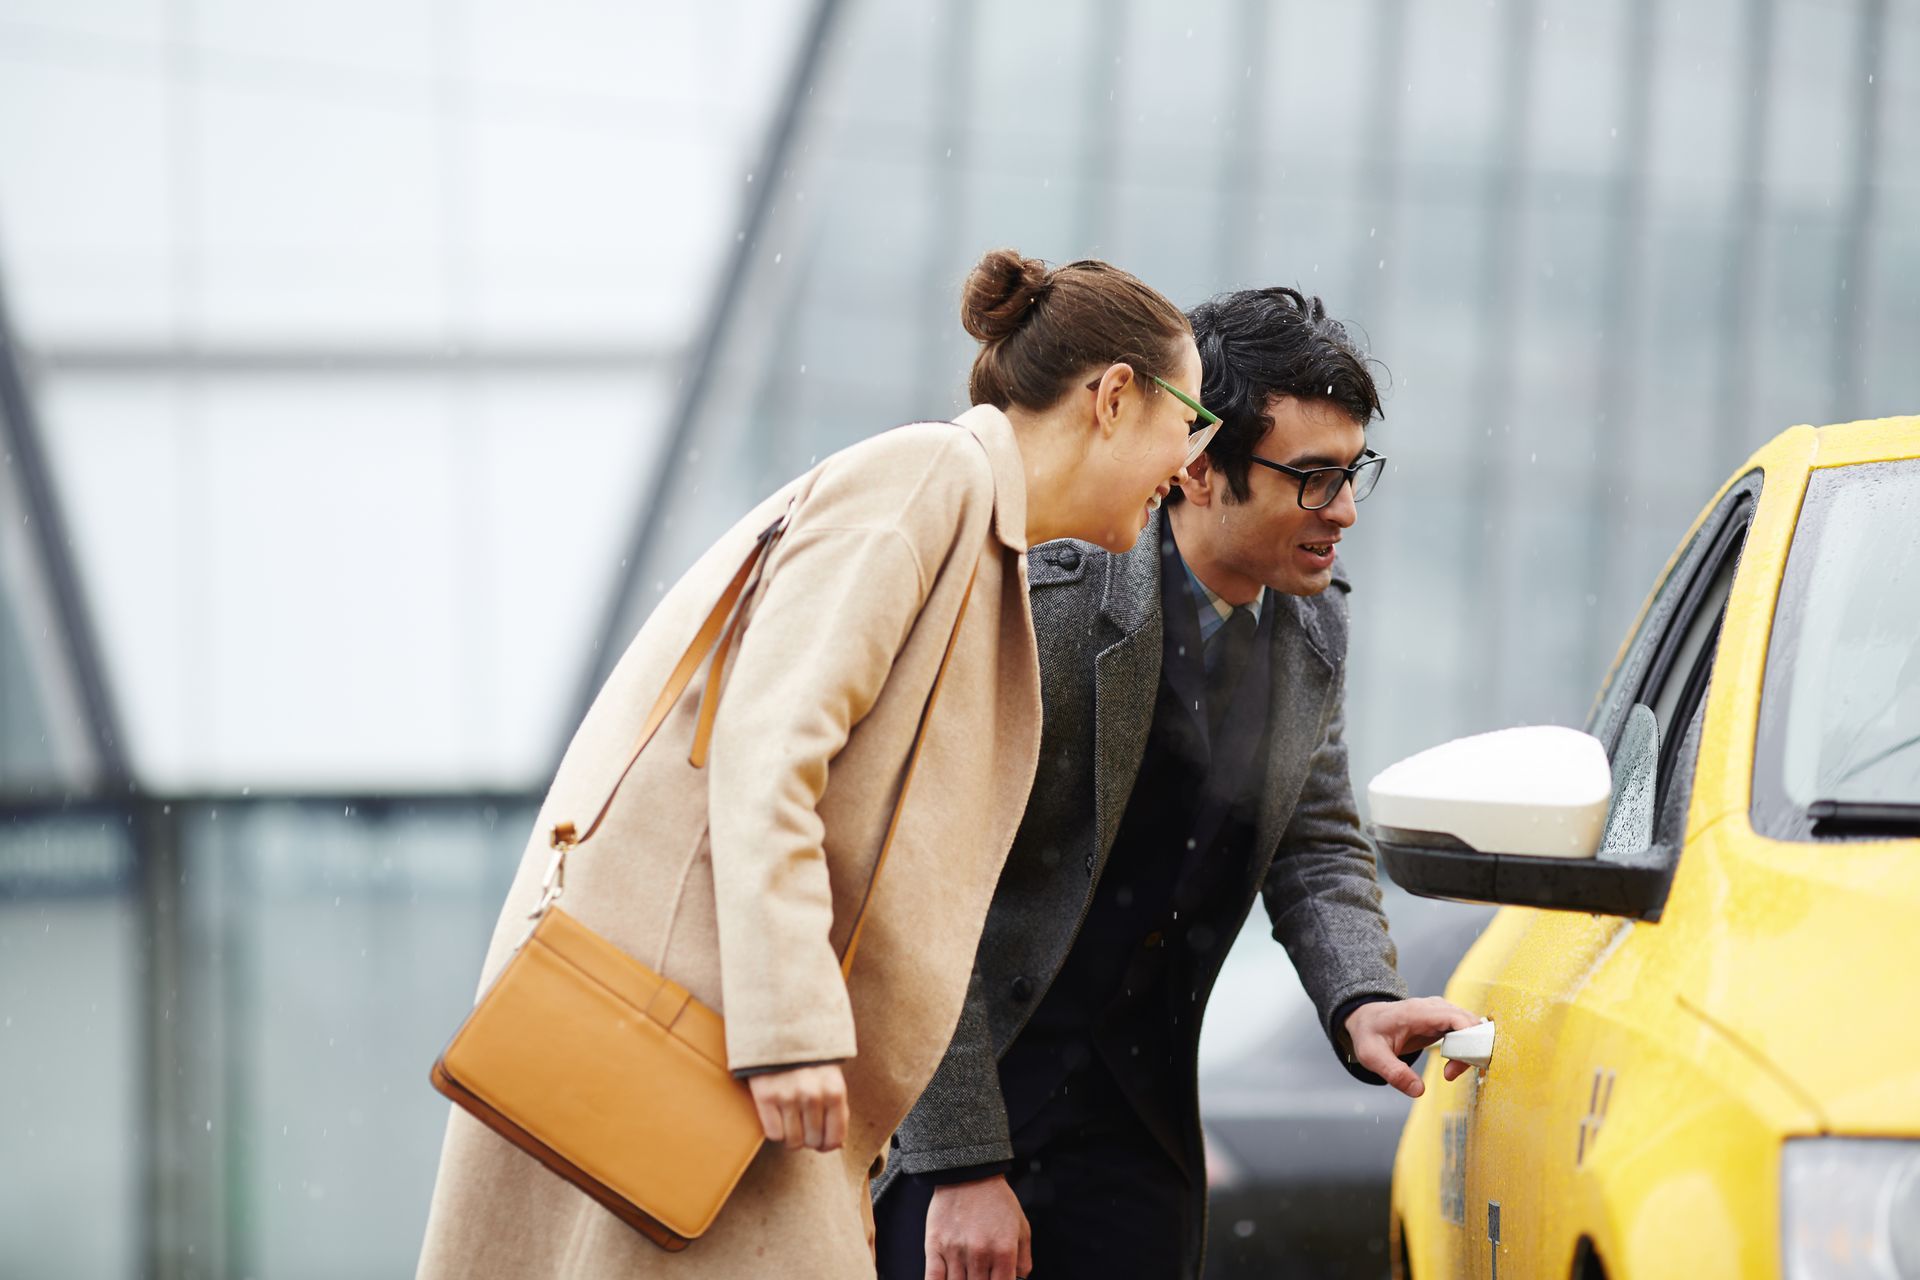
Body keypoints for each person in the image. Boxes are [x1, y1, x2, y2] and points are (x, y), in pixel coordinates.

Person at [416, 249, 1212, 1279]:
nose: (1190, 463)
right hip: (723, 1053)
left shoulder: (979, 527)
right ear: (1111, 397)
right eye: (1188, 421)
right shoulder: (932, 477)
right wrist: (789, 1024)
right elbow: (770, 739)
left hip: (741, 1069)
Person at [873, 286, 1481, 1280]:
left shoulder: (1313, 627)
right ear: (1198, 467)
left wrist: (1360, 994)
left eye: (1355, 470)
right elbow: (923, 880)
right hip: (972, 1128)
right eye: (1314, 476)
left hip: (1143, 1143)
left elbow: (1314, 838)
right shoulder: (1058, 606)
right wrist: (963, 1163)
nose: (1345, 509)